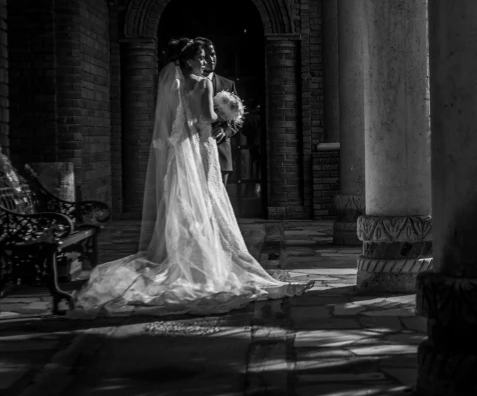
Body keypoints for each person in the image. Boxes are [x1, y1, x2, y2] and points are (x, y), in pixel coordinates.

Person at [68, 39, 311, 318]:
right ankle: (203, 259)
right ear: (191, 60)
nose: (207, 61)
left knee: (184, 199)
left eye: (209, 56)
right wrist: (220, 114)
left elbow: (175, 119)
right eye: (202, 57)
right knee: (207, 200)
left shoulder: (175, 82)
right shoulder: (204, 84)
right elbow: (206, 116)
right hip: (202, 145)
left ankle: (186, 256)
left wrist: (224, 122)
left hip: (182, 149)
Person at [194, 37, 238, 185]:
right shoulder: (189, 83)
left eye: (213, 54)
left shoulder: (228, 84)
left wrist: (225, 131)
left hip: (221, 152)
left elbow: (238, 118)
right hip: (195, 151)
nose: (211, 59)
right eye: (206, 56)